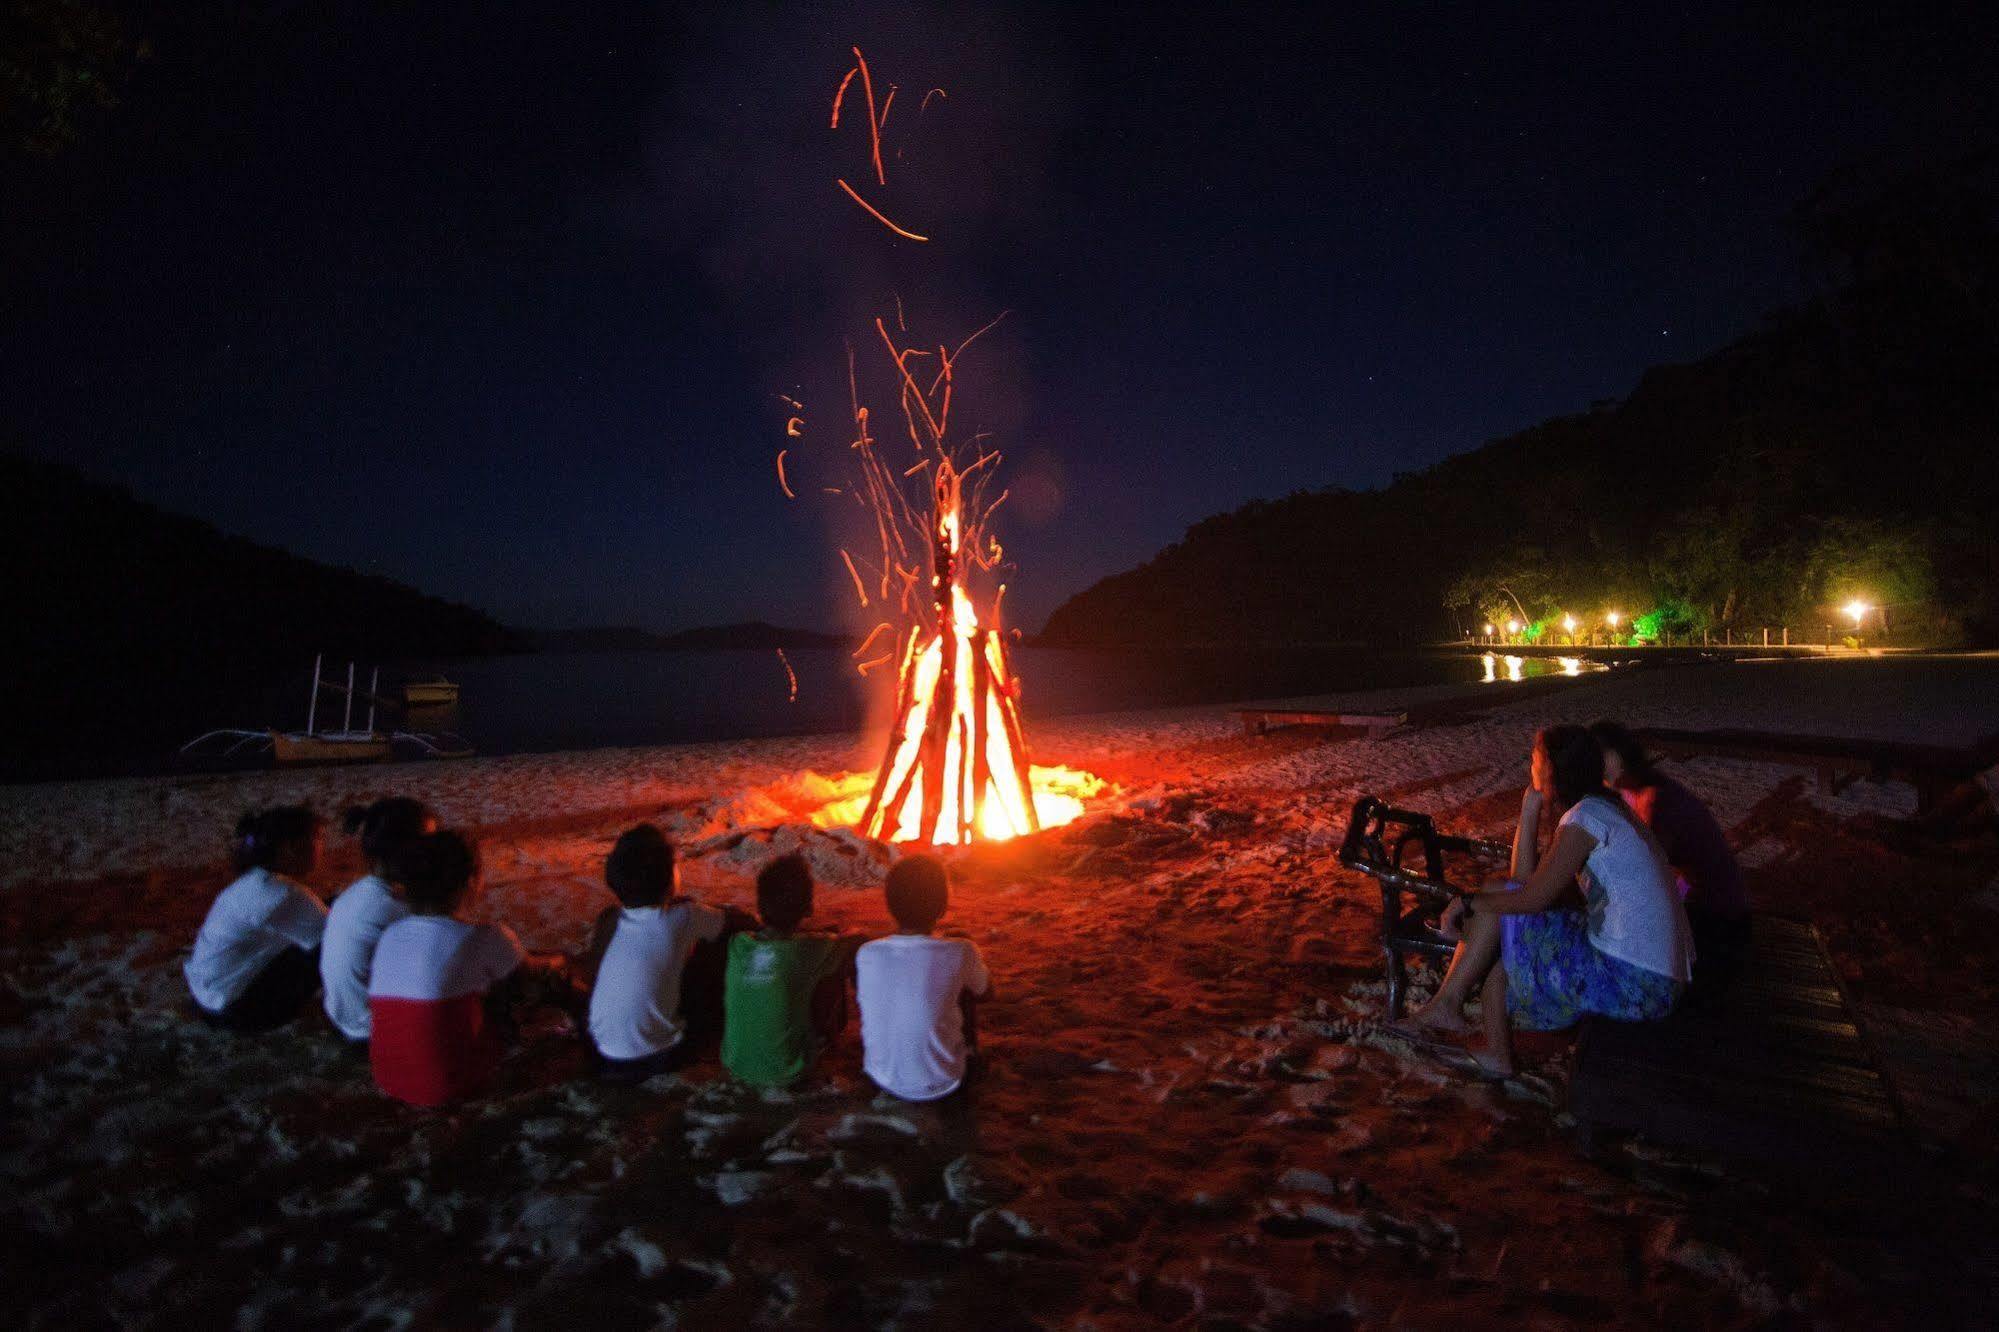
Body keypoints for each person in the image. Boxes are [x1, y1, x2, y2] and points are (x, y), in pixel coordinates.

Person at [1395, 725, 1692, 1079]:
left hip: (1639, 981)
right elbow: (1523, 883)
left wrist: (1466, 902)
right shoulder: (1601, 808)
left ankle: (1457, 1015)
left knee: (1499, 922)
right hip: (1655, 969)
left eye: (1535, 759)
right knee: (1501, 914)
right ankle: (1454, 1010)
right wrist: (1530, 804)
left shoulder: (1588, 819)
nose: (1530, 765)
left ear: (1551, 769)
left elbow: (1530, 896)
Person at [366, 831, 528, 1106]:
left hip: (387, 1079)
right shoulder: (486, 936)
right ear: (471, 882)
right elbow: (527, 983)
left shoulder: (390, 935)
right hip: (450, 1086)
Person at [1589, 720, 1749, 991]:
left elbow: (1654, 874)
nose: (1594, 766)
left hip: (1720, 920)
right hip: (1709, 907)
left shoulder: (1655, 799)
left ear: (1618, 754)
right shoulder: (1636, 791)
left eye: (1599, 755)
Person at [586, 824, 730, 1082]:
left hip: (601, 1054)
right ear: (668, 878)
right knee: (713, 951)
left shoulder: (608, 921)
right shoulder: (684, 915)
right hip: (658, 1058)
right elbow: (732, 922)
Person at [856, 854, 991, 1102]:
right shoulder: (961, 950)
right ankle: (965, 1054)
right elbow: (986, 992)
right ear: (942, 905)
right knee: (962, 985)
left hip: (881, 1077)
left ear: (890, 904)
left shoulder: (867, 953)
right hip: (946, 1082)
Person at [185, 806, 329, 1032]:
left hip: (208, 996)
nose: (322, 847)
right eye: (318, 837)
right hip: (237, 1010)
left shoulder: (255, 881)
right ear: (290, 847)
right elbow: (340, 937)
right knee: (343, 939)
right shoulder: (283, 895)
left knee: (335, 910)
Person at [721, 853, 859, 1088]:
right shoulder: (808, 949)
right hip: (789, 1071)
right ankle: (828, 1042)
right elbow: (855, 942)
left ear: (760, 905)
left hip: (735, 1064)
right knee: (834, 965)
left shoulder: (739, 944)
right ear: (809, 908)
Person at [320, 798, 433, 1046]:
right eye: (429, 844)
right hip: (371, 1030)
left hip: (342, 1016)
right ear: (405, 850)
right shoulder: (395, 908)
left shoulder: (354, 894)